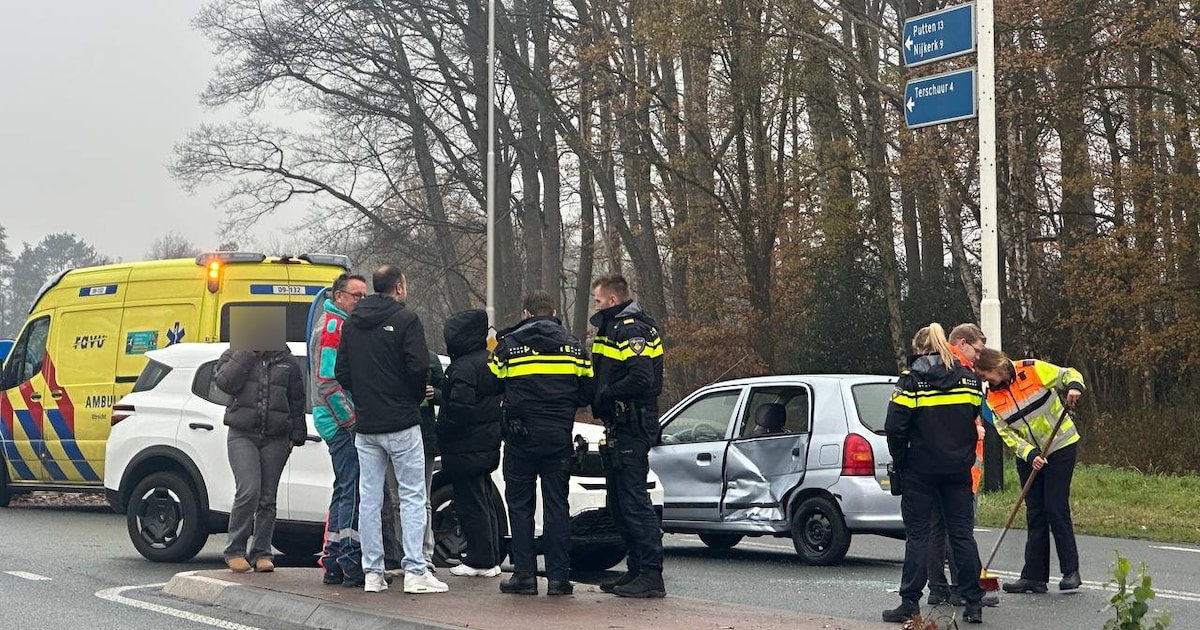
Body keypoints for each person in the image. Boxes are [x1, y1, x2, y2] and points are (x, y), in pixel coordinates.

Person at [335, 265, 448, 595]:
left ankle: (373, 573)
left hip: (367, 425)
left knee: (369, 498)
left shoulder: (352, 323)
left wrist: (365, 399)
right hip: (401, 421)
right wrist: (411, 399)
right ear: (398, 287)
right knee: (413, 495)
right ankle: (415, 570)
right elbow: (418, 368)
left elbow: (342, 372)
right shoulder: (406, 319)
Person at [490, 291, 592, 596]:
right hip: (558, 438)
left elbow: (492, 384)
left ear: (526, 313)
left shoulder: (509, 347)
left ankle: (524, 576)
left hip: (520, 438)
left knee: (520, 507)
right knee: (557, 507)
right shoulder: (575, 348)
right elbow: (587, 393)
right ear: (555, 311)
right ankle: (559, 579)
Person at [883, 324, 985, 624]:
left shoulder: (910, 382)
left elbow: (894, 427)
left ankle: (910, 603)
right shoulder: (969, 380)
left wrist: (901, 460)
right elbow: (975, 418)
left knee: (919, 537)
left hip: (920, 470)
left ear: (919, 349)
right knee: (962, 536)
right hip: (958, 470)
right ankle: (973, 603)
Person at [975, 347, 1085, 594]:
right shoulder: (991, 398)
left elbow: (1067, 374)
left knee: (1055, 507)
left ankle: (1071, 571)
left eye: (986, 376)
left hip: (1060, 445)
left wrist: (1075, 386)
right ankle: (1034, 576)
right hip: (1030, 454)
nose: (986, 382)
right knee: (1035, 512)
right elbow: (1006, 432)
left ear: (998, 366)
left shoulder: (1031, 369)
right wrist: (1030, 454)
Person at [589, 275, 666, 599]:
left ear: (611, 300)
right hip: (620, 425)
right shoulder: (614, 327)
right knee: (619, 503)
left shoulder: (631, 328)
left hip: (633, 424)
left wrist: (607, 393)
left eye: (597, 300)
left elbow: (642, 377)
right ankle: (636, 570)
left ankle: (651, 574)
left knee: (634, 502)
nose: (595, 305)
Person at [215, 344, 307, 574]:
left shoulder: (287, 360)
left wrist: (296, 434)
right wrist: (246, 353)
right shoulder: (236, 352)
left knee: (267, 498)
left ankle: (262, 552)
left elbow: (297, 399)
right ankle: (234, 550)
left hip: (276, 437)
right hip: (241, 433)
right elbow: (225, 383)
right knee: (249, 490)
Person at [925, 323, 989, 607]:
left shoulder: (936, 367)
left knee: (937, 529)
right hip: (960, 468)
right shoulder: (960, 375)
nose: (978, 356)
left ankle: (940, 587)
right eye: (976, 350)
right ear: (962, 344)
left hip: (940, 464)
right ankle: (964, 588)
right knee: (959, 532)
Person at [311, 273, 369, 587]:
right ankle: (348, 558)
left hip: (332, 417)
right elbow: (327, 381)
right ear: (339, 296)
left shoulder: (337, 324)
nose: (361, 300)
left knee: (344, 487)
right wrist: (351, 420)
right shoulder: (334, 328)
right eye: (356, 295)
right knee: (352, 489)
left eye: (364, 295)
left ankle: (333, 556)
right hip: (338, 419)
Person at [439, 309, 503, 577]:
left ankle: (480, 559)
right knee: (484, 500)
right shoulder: (488, 361)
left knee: (470, 503)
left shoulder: (463, 367)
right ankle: (491, 555)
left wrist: (440, 429)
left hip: (465, 446)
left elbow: (460, 410)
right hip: (485, 444)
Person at [382, 350, 444, 575]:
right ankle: (403, 552)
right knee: (396, 497)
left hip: (423, 435)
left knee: (422, 497)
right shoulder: (388, 356)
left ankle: (424, 553)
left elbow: (445, 392)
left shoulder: (429, 358)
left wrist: (434, 393)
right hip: (393, 433)